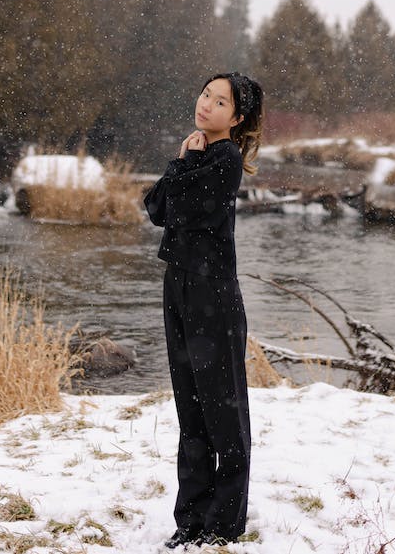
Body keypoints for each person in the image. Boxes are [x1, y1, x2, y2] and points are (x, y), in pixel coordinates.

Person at [144, 72, 264, 549]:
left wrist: (184, 163)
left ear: (237, 118)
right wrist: (180, 161)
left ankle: (224, 521)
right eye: (205, 94)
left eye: (221, 102)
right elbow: (155, 209)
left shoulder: (225, 158)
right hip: (178, 286)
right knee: (191, 408)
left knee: (223, 411)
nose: (207, 105)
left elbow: (185, 208)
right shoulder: (195, 154)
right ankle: (190, 518)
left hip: (212, 295)